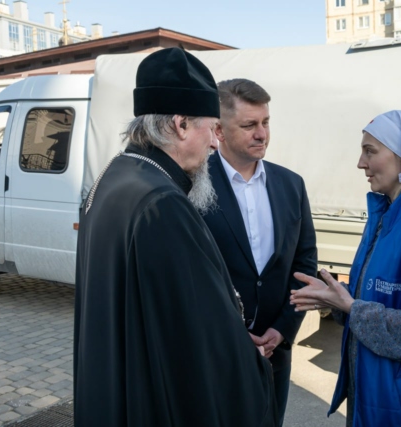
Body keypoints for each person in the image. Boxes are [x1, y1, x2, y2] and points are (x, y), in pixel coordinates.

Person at [74, 48, 278, 427]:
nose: (215, 144)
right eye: (211, 128)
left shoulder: (116, 176)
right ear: (181, 124)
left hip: (116, 385)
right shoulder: (161, 203)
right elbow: (194, 337)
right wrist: (247, 361)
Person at [290, 110, 401, 427]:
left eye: (370, 151)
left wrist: (350, 307)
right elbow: (370, 299)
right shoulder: (385, 216)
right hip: (376, 395)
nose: (361, 163)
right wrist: (336, 297)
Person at [201, 78, 317, 426]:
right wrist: (232, 336)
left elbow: (304, 263)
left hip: (273, 353)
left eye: (266, 122)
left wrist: (282, 329)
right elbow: (191, 276)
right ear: (219, 131)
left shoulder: (291, 184)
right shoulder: (192, 185)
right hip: (216, 355)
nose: (262, 134)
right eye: (249, 125)